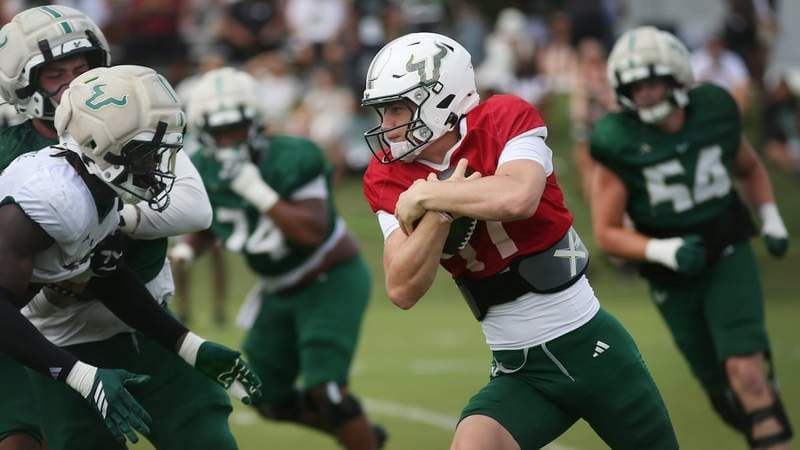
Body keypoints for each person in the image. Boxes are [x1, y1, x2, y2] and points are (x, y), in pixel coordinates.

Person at [361, 32, 678, 450]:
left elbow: (518, 197)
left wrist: (430, 193)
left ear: (441, 100)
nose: (387, 126)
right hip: (518, 367)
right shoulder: (388, 174)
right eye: (383, 112)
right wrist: (440, 214)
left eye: (397, 108)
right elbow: (402, 287)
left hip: (591, 347)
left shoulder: (504, 116)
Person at [0, 7, 261, 450]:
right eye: (54, 74)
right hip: (50, 336)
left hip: (134, 323)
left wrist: (187, 344)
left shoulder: (101, 169)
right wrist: (78, 374)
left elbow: (105, 269)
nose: (159, 168)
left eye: (81, 69)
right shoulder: (58, 193)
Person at [591, 26, 793, 450]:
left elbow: (750, 168)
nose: (645, 94)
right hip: (671, 274)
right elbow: (606, 232)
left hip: (727, 251)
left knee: (747, 374)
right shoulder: (617, 139)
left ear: (676, 75)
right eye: (635, 86)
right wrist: (663, 249)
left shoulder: (714, 110)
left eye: (652, 81)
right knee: (724, 394)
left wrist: (771, 218)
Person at [171, 66, 386, 450]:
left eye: (235, 128)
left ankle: (357, 435)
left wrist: (255, 188)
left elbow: (310, 232)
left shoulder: (293, 156)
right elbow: (211, 221)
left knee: (328, 392)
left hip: (328, 277)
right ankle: (362, 435)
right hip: (277, 289)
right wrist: (188, 249)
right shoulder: (203, 167)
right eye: (217, 133)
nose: (227, 141)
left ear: (255, 123)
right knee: (263, 395)